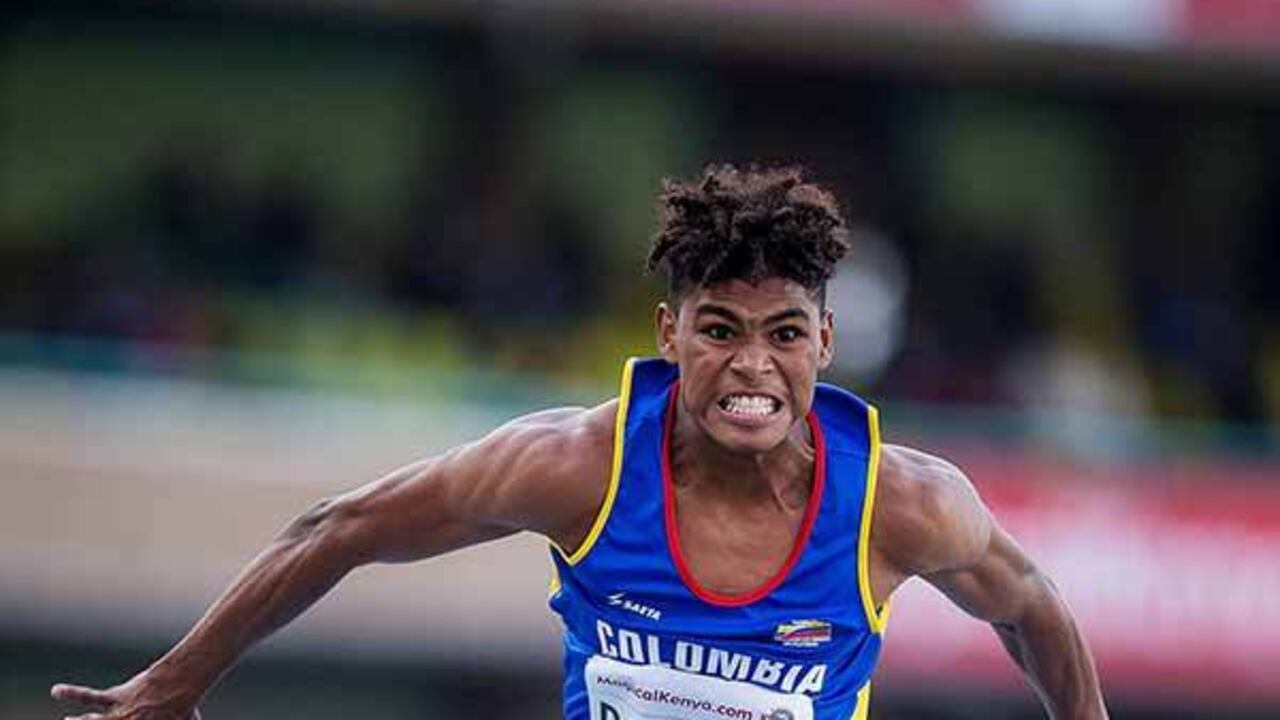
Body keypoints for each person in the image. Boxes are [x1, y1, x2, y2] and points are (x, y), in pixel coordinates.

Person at [52, 165, 1107, 720]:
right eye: (718, 330)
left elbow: (1031, 609)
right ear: (668, 335)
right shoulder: (581, 468)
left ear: (823, 343)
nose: (751, 367)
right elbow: (342, 527)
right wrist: (178, 682)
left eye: (784, 334)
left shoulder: (899, 504)